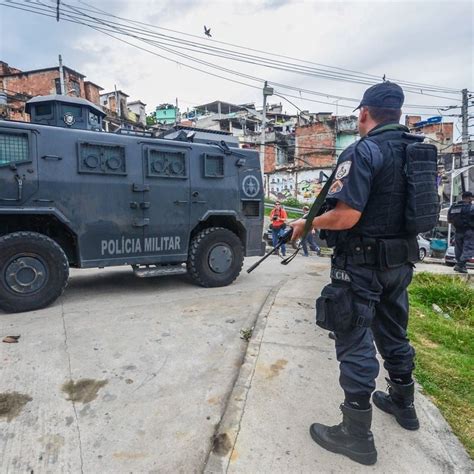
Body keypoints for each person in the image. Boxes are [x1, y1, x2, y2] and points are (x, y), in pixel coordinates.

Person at [290, 82, 430, 466]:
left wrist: (308, 223)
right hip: (400, 263)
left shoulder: (364, 150)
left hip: (362, 266)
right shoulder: (418, 152)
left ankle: (356, 435)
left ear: (364, 113)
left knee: (354, 341)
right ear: (397, 114)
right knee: (394, 334)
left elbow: (347, 215)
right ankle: (405, 406)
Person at [448, 191, 474, 273]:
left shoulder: (454, 206)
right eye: (472, 197)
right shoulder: (471, 207)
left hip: (458, 231)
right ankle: (460, 265)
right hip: (469, 231)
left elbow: (449, 220)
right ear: (469, 198)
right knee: (469, 249)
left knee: (458, 250)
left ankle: (461, 266)